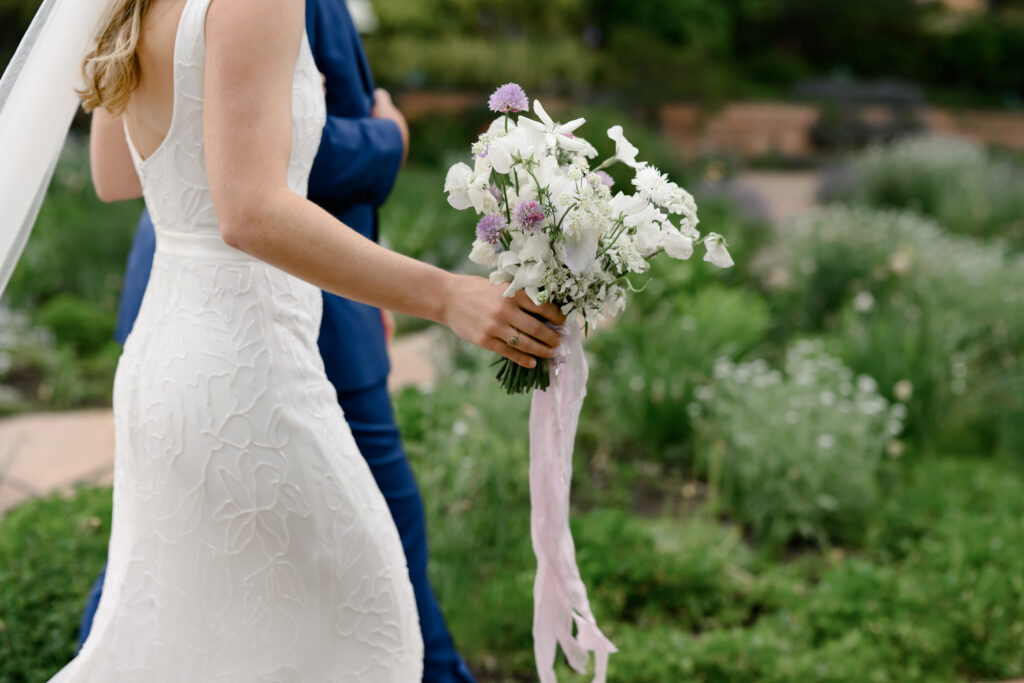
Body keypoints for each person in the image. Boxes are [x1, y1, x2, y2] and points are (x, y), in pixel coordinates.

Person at [41, 0, 565, 679]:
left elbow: (115, 177)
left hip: (163, 365)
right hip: (247, 370)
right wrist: (449, 295)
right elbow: (251, 213)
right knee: (372, 628)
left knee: (192, 643)